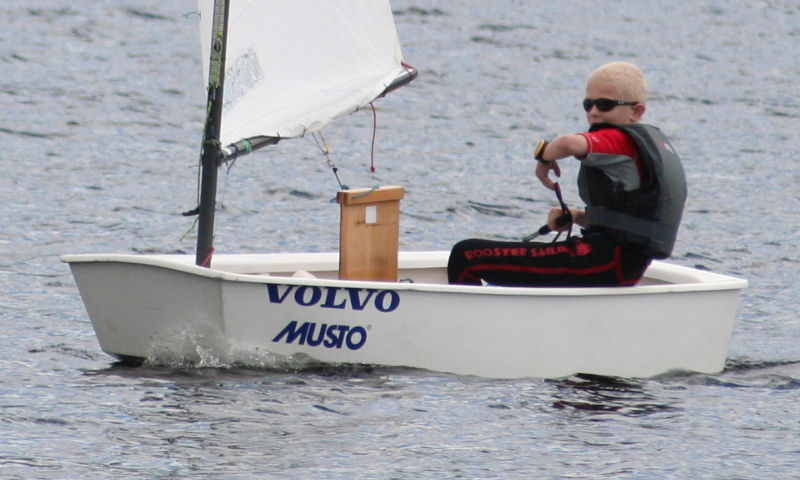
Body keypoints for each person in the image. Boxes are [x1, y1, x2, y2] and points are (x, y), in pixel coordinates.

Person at [447, 61, 687, 287]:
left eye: (604, 105)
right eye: (588, 104)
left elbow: (566, 144)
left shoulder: (619, 139)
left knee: (466, 255)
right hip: (616, 265)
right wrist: (576, 216)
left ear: (637, 111)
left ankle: (460, 328)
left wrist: (544, 158)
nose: (593, 112)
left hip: (601, 261)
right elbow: (626, 223)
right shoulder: (646, 148)